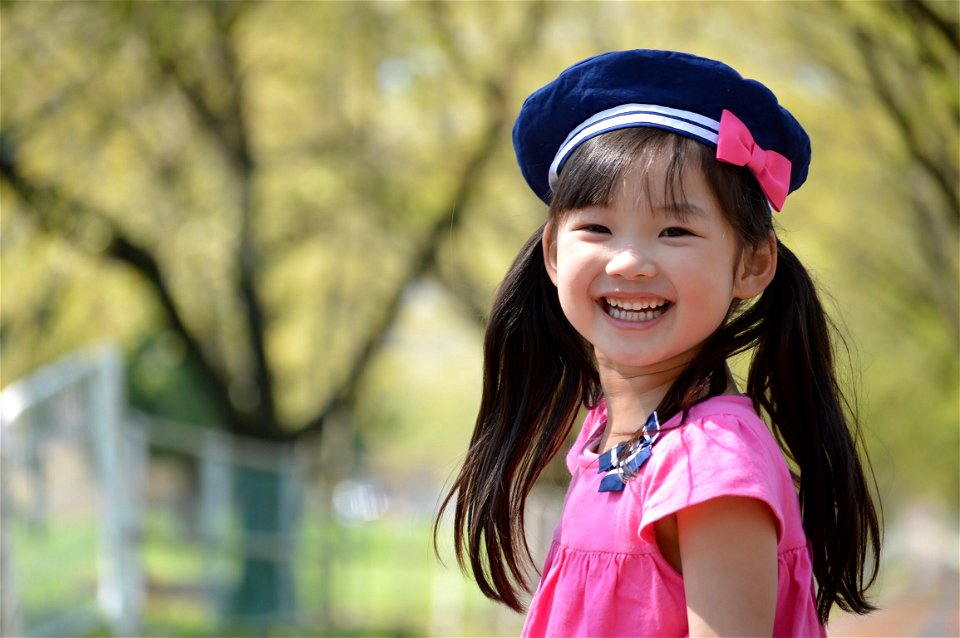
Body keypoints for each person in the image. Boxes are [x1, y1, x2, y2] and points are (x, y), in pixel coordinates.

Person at [435, 49, 881, 636]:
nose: (630, 262)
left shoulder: (709, 468)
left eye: (675, 231)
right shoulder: (608, 435)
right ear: (551, 252)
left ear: (752, 262)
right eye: (597, 227)